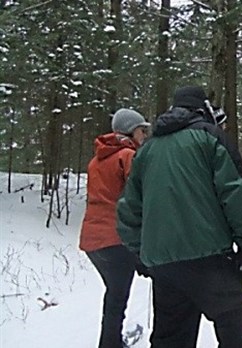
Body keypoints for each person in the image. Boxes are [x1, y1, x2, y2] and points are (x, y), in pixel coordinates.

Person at [116, 85, 242, 348]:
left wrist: (142, 252)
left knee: (171, 337)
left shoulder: (147, 150)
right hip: (210, 258)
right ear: (202, 108)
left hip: (165, 267)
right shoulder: (210, 137)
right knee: (232, 322)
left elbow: (128, 209)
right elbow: (235, 194)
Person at [79, 108, 150, 348]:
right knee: (117, 298)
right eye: (142, 130)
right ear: (130, 131)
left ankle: (111, 341)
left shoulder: (96, 159)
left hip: (93, 239)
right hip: (116, 237)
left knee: (115, 294)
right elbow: (138, 196)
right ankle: (109, 344)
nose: (144, 135)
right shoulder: (128, 156)